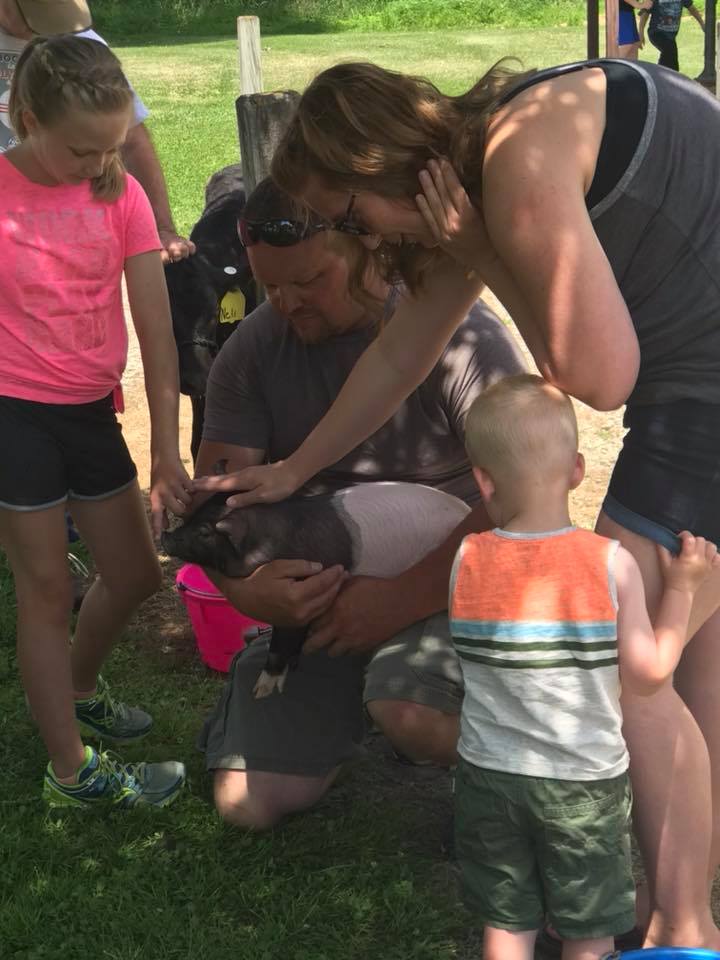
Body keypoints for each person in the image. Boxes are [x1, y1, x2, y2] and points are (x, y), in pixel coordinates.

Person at [212, 59, 720, 949]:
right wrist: (294, 470)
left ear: (376, 166)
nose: (360, 237)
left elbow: (600, 378)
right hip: (693, 384)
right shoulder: (489, 167)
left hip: (700, 395)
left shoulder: (517, 159)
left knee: (620, 667)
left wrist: (484, 253)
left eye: (348, 215)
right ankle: (683, 909)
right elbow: (399, 354)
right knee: (696, 655)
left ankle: (676, 924)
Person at [191, 176, 526, 829]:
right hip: (323, 607)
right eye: (270, 285)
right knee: (247, 804)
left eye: (308, 280)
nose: (286, 302)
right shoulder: (251, 352)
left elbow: (521, 498)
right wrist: (251, 594)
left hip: (450, 585)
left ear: (365, 247)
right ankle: (344, 705)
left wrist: (400, 600)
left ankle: (533, 768)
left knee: (412, 713)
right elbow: (214, 513)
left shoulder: (458, 334)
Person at [450, 374, 718, 960]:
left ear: (483, 480)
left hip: (488, 775)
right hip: (580, 785)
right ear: (577, 470)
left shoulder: (466, 559)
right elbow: (648, 675)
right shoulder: (610, 564)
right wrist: (682, 590)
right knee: (590, 931)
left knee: (508, 925)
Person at [0, 35, 192, 806]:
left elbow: (157, 333)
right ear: (27, 120)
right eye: (82, 149)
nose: (97, 163)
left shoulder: (120, 195)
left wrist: (167, 451)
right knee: (46, 590)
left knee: (138, 573)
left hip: (87, 411)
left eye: (110, 147)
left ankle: (78, 690)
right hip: (13, 413)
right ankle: (71, 772)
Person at [0, 0, 194, 262]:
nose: (51, 31)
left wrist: (163, 229)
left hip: (74, 229)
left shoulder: (78, 39)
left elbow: (132, 140)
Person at [638, 0, 705, 72]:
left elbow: (692, 8)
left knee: (671, 60)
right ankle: (661, 74)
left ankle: (665, 75)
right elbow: (645, 13)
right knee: (669, 51)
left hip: (671, 37)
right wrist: (641, 33)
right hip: (656, 33)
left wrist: (702, 24)